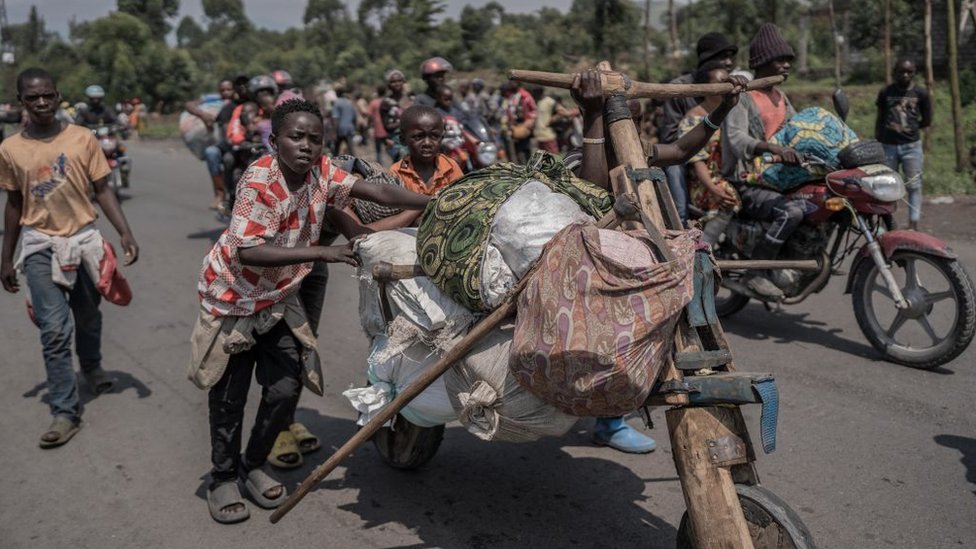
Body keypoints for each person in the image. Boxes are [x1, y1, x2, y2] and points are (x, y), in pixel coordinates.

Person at [190, 98, 432, 524]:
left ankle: (254, 463)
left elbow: (374, 189)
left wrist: (431, 201)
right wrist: (325, 251)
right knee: (229, 396)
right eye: (295, 137)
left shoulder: (322, 172)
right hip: (234, 299)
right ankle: (223, 476)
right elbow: (248, 251)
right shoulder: (258, 180)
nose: (306, 146)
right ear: (274, 140)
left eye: (315, 139)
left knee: (285, 386)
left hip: (280, 296)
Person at [567, 67, 747, 454]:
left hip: (643, 267)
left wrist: (722, 111)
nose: (626, 131)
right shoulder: (582, 154)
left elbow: (682, 151)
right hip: (598, 270)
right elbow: (590, 186)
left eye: (630, 121)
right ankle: (608, 421)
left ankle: (614, 416)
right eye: (619, 121)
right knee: (607, 344)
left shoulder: (641, 150)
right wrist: (593, 115)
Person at [0, 68, 140, 449]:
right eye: (33, 97)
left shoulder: (82, 138)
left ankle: (92, 366)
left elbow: (103, 188)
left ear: (58, 96)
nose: (42, 103)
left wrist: (124, 231)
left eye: (48, 95)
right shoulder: (11, 149)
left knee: (88, 313)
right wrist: (6, 256)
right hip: (39, 245)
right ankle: (65, 411)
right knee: (54, 329)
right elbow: (13, 203)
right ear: (22, 103)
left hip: (83, 241)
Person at [720, 22, 802, 300]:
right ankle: (756, 272)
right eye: (781, 60)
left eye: (789, 60)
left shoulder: (781, 97)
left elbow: (799, 128)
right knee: (790, 212)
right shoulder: (743, 97)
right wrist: (772, 149)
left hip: (779, 176)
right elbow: (736, 139)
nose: (786, 66)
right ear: (763, 62)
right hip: (745, 179)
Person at [659, 32, 738, 225]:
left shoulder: (729, 85)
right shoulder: (679, 88)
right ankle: (679, 222)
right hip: (683, 151)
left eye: (730, 57)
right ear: (706, 60)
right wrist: (693, 147)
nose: (728, 62)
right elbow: (670, 138)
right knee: (674, 167)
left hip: (713, 153)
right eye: (722, 57)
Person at [678, 63, 742, 244]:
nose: (726, 88)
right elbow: (697, 162)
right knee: (729, 197)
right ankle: (705, 247)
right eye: (721, 83)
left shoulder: (729, 113)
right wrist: (714, 189)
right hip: (703, 182)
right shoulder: (693, 119)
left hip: (725, 175)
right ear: (706, 89)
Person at [876, 59, 931, 231]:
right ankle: (887, 224)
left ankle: (913, 224)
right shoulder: (886, 92)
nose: (905, 75)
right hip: (888, 146)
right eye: (901, 72)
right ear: (895, 72)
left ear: (914, 72)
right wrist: (878, 137)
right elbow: (880, 116)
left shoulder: (921, 93)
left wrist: (912, 130)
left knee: (914, 185)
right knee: (886, 186)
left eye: (909, 72)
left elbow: (927, 118)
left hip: (911, 147)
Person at [185, 78, 236, 210]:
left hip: (240, 140)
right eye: (222, 90)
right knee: (211, 153)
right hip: (221, 142)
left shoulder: (240, 100)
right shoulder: (214, 100)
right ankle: (219, 193)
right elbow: (190, 105)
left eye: (229, 89)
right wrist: (203, 115)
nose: (226, 92)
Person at [500, 81, 537, 164]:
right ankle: (521, 167)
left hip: (523, 126)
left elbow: (533, 110)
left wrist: (529, 122)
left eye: (514, 82)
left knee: (525, 149)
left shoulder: (525, 95)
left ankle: (528, 168)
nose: (511, 84)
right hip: (514, 127)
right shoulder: (512, 96)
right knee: (516, 150)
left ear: (519, 83)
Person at [379, 69, 412, 162]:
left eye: (399, 81)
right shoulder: (386, 103)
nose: (397, 83)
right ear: (388, 85)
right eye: (393, 82)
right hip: (398, 142)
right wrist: (403, 121)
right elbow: (387, 126)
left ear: (403, 82)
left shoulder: (411, 99)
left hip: (414, 139)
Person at [331, 87, 357, 156]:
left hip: (340, 129)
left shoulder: (337, 103)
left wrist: (334, 132)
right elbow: (354, 117)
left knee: (336, 150)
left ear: (337, 94)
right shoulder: (349, 102)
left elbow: (335, 118)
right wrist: (354, 127)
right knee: (351, 150)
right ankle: (354, 164)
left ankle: (333, 164)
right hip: (349, 128)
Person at [367, 85, 388, 164]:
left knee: (378, 150)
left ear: (377, 92)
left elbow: (369, 116)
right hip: (388, 129)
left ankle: (380, 166)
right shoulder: (388, 101)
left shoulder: (373, 103)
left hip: (377, 129)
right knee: (390, 148)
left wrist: (368, 125)